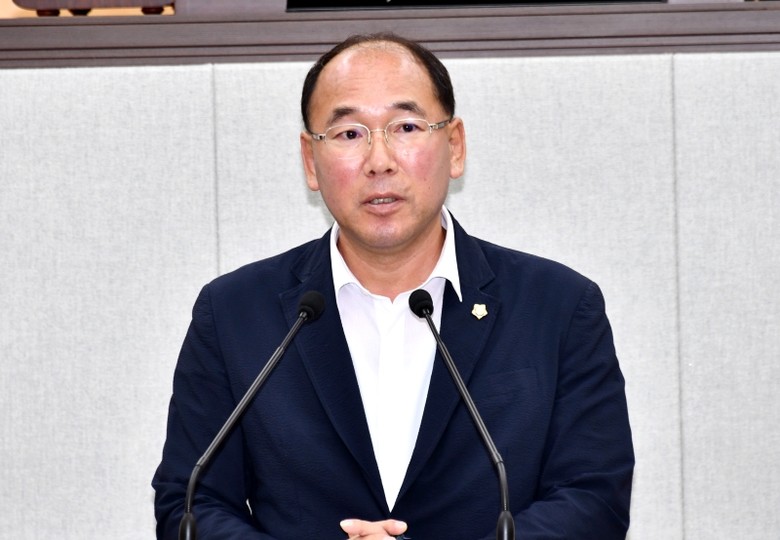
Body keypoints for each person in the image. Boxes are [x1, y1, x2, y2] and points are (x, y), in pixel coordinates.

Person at [152, 33, 634, 539]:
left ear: (454, 147)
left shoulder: (558, 307)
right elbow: (191, 502)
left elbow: (593, 497)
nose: (379, 160)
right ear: (310, 160)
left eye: (406, 127)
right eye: (349, 133)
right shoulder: (233, 314)